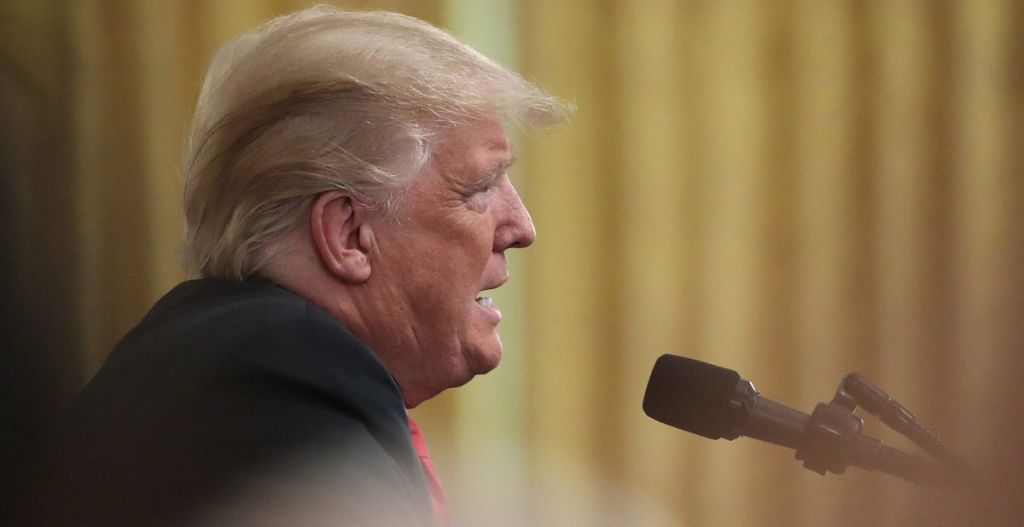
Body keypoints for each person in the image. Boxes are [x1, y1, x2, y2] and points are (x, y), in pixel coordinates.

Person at [45, 6, 568, 527]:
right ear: (348, 235)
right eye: (480, 187)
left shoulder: (224, 353)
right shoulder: (285, 373)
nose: (522, 227)